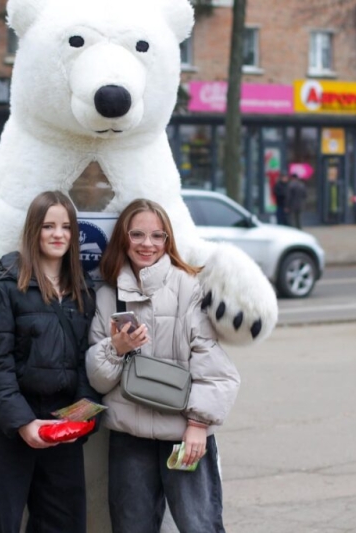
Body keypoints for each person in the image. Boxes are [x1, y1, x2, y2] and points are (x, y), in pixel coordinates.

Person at [86, 198, 240, 533]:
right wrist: (116, 348)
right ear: (123, 238)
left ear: (168, 240)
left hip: (184, 434)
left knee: (200, 526)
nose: (147, 244)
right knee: (131, 527)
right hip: (129, 436)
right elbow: (97, 381)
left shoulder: (190, 287)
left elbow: (215, 369)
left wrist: (199, 425)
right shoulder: (107, 296)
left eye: (158, 236)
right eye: (137, 234)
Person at [0, 191, 97, 533]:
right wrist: (24, 423)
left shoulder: (82, 289)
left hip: (61, 423)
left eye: (66, 226)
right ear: (33, 230)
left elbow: (86, 362)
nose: (58, 234)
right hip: (11, 425)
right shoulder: (8, 282)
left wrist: (79, 420)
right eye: (49, 226)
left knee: (63, 523)